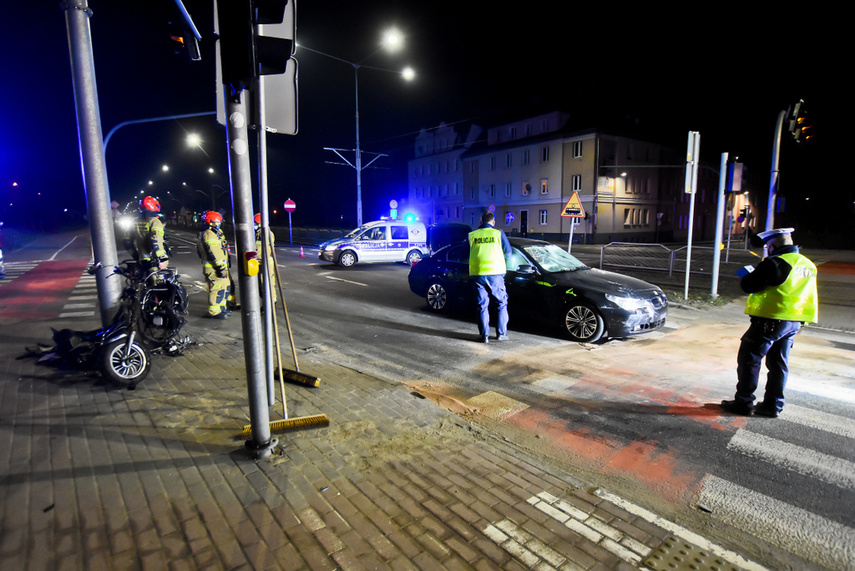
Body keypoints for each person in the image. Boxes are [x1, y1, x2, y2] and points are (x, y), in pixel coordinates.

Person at [721, 227, 818, 418]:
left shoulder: (774, 262)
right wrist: (802, 323)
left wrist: (746, 274)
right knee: (779, 365)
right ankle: (773, 406)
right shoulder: (808, 264)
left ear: (772, 246)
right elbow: (809, 296)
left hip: (769, 322)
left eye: (768, 247)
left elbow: (750, 285)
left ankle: (743, 402)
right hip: (794, 323)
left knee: (749, 360)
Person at [468, 211, 512, 343]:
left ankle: (484, 336)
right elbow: (508, 253)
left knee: (482, 305)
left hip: (477, 274)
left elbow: (467, 253)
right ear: (493, 222)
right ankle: (501, 334)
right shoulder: (498, 233)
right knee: (501, 303)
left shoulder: (472, 235)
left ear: (480, 222)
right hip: (495, 273)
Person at [196, 211, 232, 319]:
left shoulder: (215, 232)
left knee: (224, 287)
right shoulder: (209, 234)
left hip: (219, 266)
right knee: (216, 288)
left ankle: (222, 308)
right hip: (214, 267)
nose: (220, 224)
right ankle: (214, 312)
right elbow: (214, 252)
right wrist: (220, 267)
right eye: (219, 222)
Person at [131, 196, 169, 269]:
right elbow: (156, 240)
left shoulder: (135, 221)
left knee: (142, 278)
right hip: (154, 260)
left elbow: (127, 241)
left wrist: (135, 255)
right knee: (159, 278)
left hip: (142, 259)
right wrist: (161, 259)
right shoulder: (155, 222)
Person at [254, 214, 277, 304]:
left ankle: (270, 303)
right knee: (262, 285)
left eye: (255, 223)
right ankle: (266, 303)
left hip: (265, 261)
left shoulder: (266, 233)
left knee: (267, 283)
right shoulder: (258, 233)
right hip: (260, 261)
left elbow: (263, 249)